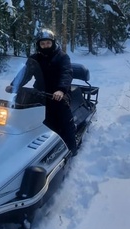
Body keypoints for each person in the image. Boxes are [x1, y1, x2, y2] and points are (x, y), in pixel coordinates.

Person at [6, 28, 77, 156]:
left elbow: (67, 73)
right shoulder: (35, 58)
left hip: (57, 94)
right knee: (25, 115)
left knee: (64, 119)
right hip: (40, 93)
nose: (45, 46)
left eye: (48, 43)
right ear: (38, 45)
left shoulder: (62, 57)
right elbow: (25, 73)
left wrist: (61, 90)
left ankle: (72, 148)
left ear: (53, 43)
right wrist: (14, 85)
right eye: (42, 44)